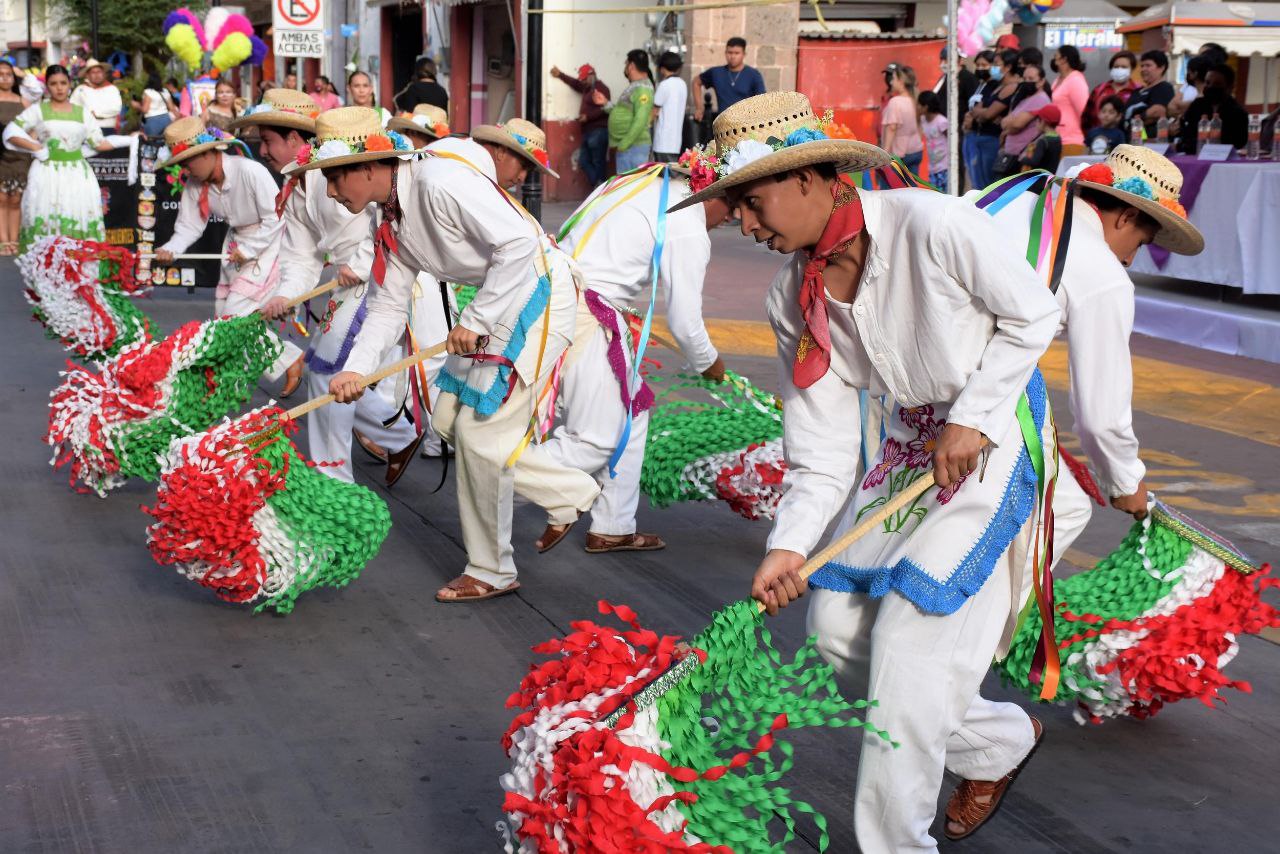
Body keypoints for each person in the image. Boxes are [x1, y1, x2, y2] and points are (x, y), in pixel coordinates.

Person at [671, 91, 1060, 853]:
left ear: (816, 178)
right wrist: (790, 544)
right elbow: (817, 442)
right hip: (908, 454)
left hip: (990, 439)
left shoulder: (933, 226)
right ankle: (993, 743)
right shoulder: (793, 298)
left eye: (752, 203)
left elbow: (1034, 313)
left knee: (910, 654)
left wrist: (973, 415)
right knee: (833, 632)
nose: (745, 227)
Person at [307, 108, 599, 604]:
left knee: (480, 435)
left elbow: (520, 245)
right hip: (498, 298)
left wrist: (476, 321)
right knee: (446, 422)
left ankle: (494, 568)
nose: (332, 192)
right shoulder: (391, 218)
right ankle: (566, 494)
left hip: (539, 293)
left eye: (335, 178)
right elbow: (387, 305)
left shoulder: (437, 181)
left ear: (369, 165)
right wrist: (355, 368)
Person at [967, 144, 1203, 640]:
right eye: (1140, 241)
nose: (1131, 257)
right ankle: (975, 639)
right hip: (969, 396)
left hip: (907, 378)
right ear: (1125, 216)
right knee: (1066, 507)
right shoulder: (1102, 272)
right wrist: (1126, 485)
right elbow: (1100, 415)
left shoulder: (1020, 198)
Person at [524, 153, 729, 554]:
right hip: (585, 315)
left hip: (559, 301)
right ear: (717, 193)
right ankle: (497, 473)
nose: (732, 222)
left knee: (633, 412)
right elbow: (686, 322)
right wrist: (710, 363)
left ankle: (613, 525)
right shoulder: (686, 219)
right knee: (595, 439)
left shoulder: (635, 182)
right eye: (736, 209)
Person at [237, 89, 426, 485]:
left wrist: (358, 265)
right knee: (327, 373)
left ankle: (334, 479)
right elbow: (302, 257)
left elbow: (382, 213)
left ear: (294, 140)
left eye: (268, 140)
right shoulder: (295, 191)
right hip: (348, 285)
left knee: (328, 372)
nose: (263, 151)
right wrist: (286, 296)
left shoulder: (348, 173)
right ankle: (399, 435)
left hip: (378, 275)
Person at [152, 116, 303, 394]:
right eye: (183, 163)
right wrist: (170, 250)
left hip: (268, 244)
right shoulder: (196, 184)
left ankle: (289, 358)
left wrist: (249, 250)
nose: (187, 169)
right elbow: (188, 226)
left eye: (190, 161)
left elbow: (276, 217)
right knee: (224, 318)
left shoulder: (249, 171)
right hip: (235, 246)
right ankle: (236, 378)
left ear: (210, 152)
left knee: (234, 316)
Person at [2, 65, 120, 251]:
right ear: (47, 86)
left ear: (70, 85)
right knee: (47, 218)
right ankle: (45, 271)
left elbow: (98, 143)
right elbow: (11, 131)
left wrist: (131, 140)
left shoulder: (82, 112)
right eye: (54, 84)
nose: (59, 88)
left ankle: (79, 271)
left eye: (63, 83)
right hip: (46, 173)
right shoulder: (39, 110)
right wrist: (35, 147)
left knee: (78, 217)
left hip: (77, 175)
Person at [550, 63, 610, 186]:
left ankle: (601, 187)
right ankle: (599, 185)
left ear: (591, 75)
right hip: (588, 132)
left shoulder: (601, 88)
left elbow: (605, 109)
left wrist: (587, 117)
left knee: (598, 161)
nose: (582, 82)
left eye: (584, 79)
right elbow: (575, 83)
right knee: (584, 161)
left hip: (598, 131)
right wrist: (560, 75)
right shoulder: (586, 88)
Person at [597, 49, 654, 173]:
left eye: (626, 64)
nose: (625, 67)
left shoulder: (643, 89)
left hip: (633, 147)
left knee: (631, 187)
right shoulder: (635, 86)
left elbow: (641, 119)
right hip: (629, 147)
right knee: (626, 187)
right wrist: (605, 103)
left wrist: (624, 144)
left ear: (631, 66)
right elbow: (622, 111)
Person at [1177, 64, 1248, 154]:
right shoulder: (1197, 105)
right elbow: (1186, 135)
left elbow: (1237, 142)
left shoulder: (1238, 113)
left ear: (1229, 87)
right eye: (1207, 82)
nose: (1210, 87)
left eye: (1217, 84)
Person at [993, 64, 1049, 180]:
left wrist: (1010, 125)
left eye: (1031, 79)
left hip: (1022, 157)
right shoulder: (1024, 99)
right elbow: (1005, 123)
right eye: (1024, 78)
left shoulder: (1040, 99)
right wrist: (1009, 125)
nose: (1026, 82)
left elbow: (1017, 124)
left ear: (1041, 81)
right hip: (1011, 156)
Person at [692, 37, 766, 124]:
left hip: (745, 126)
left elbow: (762, 101)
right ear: (725, 53)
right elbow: (696, 82)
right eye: (729, 52)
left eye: (737, 53)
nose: (733, 56)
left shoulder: (754, 75)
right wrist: (699, 108)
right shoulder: (716, 72)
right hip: (722, 125)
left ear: (744, 54)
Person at [0, 60, 30, 256]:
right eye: (1, 74)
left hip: (20, 157)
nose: (5, 78)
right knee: (2, 199)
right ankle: (4, 241)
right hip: (1, 156)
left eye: (9, 74)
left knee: (16, 199)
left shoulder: (23, 102)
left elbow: (33, 127)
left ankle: (15, 239)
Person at [961, 49, 1002, 191]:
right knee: (975, 179)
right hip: (973, 135)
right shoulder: (980, 85)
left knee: (986, 183)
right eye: (977, 65)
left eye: (984, 65)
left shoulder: (996, 86)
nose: (980, 68)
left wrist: (975, 116)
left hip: (988, 137)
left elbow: (989, 113)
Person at [880, 64, 924, 173]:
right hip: (916, 150)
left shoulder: (895, 102)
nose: (891, 82)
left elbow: (892, 128)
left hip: (899, 154)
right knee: (912, 188)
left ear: (901, 81)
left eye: (894, 79)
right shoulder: (916, 100)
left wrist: (885, 154)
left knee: (892, 189)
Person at [1083, 51, 1137, 131]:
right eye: (1116, 66)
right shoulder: (1099, 90)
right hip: (1099, 139)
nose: (1119, 69)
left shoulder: (1138, 91)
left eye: (1124, 67)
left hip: (1127, 140)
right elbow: (1086, 118)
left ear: (1132, 69)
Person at [1125, 50, 1175, 138]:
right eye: (1142, 66)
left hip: (1148, 141)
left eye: (1148, 65)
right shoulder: (1136, 91)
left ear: (1161, 67)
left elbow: (1158, 111)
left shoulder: (1164, 87)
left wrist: (1136, 119)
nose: (1143, 69)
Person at [1050, 45, 1088, 155]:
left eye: (1056, 56)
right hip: (1057, 138)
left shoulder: (1075, 80)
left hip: (1071, 140)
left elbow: (1083, 112)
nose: (1053, 60)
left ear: (1064, 59)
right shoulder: (1058, 79)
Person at [652, 52, 687, 163]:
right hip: (676, 142)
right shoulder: (682, 84)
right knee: (672, 175)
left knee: (662, 176)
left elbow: (654, 111)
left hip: (662, 141)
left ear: (662, 68)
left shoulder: (664, 85)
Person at [70, 59, 122, 132]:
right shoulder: (80, 90)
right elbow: (72, 108)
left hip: (107, 128)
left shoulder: (112, 89)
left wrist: (96, 113)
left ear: (103, 73)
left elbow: (116, 108)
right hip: (86, 129)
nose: (97, 75)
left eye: (99, 72)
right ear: (87, 75)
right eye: (93, 72)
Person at [1018, 104, 1062, 173]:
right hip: (1050, 177)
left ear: (1043, 122)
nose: (1036, 123)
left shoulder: (1043, 141)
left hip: (1040, 179)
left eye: (1037, 120)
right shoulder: (1058, 138)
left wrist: (1023, 159)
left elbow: (1034, 161)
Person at [918, 90, 949, 191]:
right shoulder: (923, 120)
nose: (917, 107)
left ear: (926, 107)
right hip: (932, 167)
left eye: (919, 105)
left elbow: (951, 139)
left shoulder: (941, 122)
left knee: (944, 194)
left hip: (944, 166)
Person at [1169, 54, 1211, 120]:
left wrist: (1181, 105)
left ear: (1195, 73)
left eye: (1188, 70)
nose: (1187, 73)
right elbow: (1170, 108)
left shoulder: (1205, 95)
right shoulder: (1187, 85)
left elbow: (1194, 105)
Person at [140, 73, 173, 137]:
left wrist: (137, 106)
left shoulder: (148, 92)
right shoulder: (165, 91)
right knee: (166, 141)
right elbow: (171, 107)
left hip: (153, 120)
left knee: (152, 142)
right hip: (166, 118)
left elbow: (145, 110)